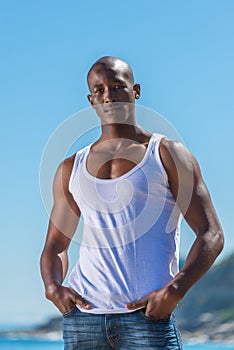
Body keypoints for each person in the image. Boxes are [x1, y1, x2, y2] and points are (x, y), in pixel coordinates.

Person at [40, 56, 224, 349]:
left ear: (135, 90)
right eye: (99, 90)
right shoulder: (71, 167)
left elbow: (211, 233)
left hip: (147, 318)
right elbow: (55, 246)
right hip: (84, 320)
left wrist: (175, 291)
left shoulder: (167, 154)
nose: (109, 96)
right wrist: (53, 289)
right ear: (90, 100)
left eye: (117, 86)